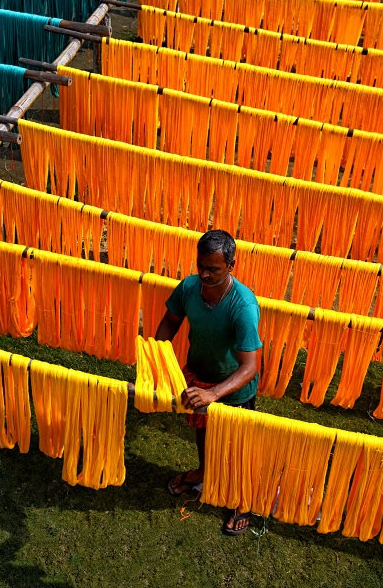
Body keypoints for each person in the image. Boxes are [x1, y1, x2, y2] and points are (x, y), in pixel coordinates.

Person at [154, 229, 262, 536]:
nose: (204, 274)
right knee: (202, 433)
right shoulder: (189, 288)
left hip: (234, 389)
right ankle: (204, 472)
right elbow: (170, 322)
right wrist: (157, 361)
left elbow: (250, 366)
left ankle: (242, 500)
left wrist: (213, 393)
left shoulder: (243, 306)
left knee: (237, 447)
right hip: (199, 377)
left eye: (213, 269)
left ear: (232, 265)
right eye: (201, 266)